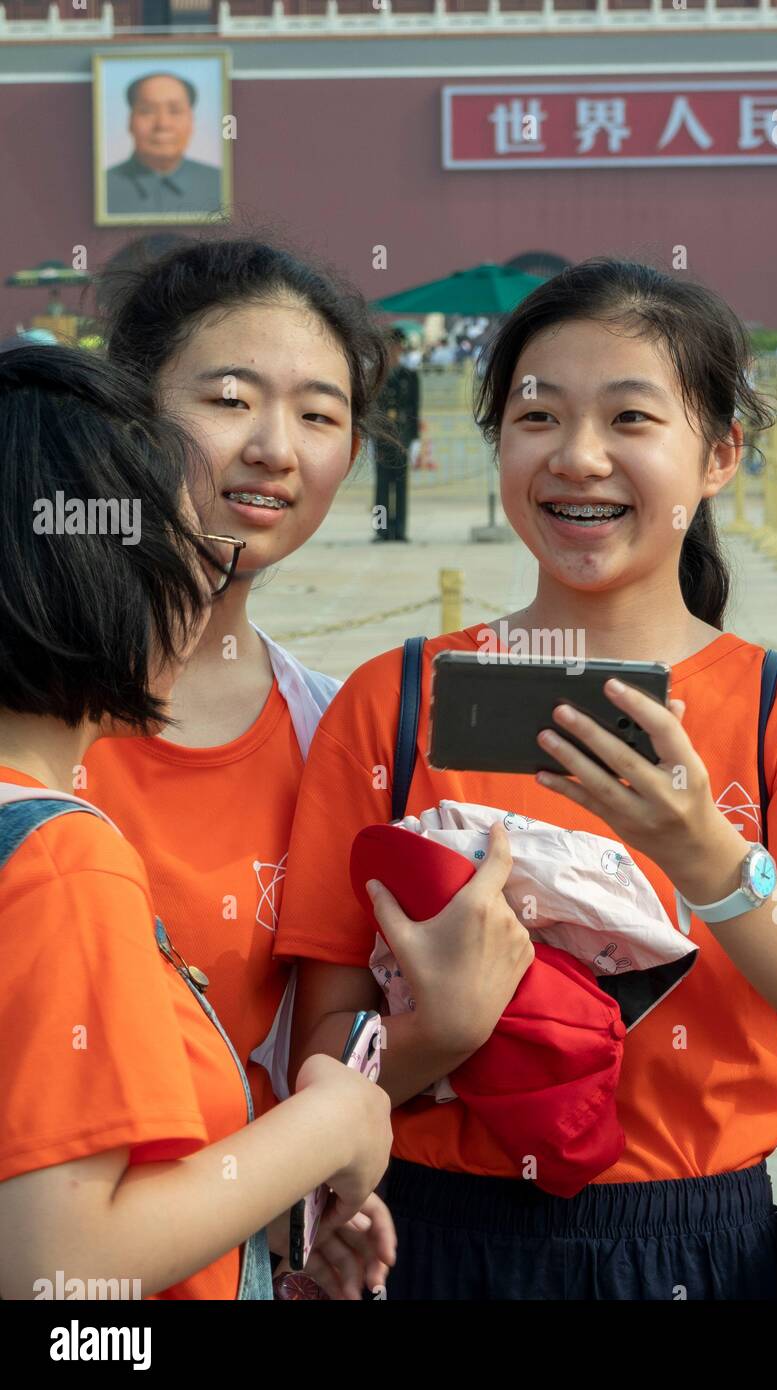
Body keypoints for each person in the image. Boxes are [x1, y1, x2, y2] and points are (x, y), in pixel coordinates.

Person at [275, 258, 777, 1301]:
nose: (577, 459)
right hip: (431, 1240)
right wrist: (439, 1031)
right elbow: (320, 1057)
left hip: (698, 1248)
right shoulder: (392, 701)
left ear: (719, 453)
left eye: (629, 419)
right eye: (537, 417)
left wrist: (702, 851)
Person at [0, 346, 392, 1300]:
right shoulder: (62, 862)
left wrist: (253, 1235)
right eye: (193, 552)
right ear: (91, 572)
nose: (208, 588)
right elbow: (62, 1266)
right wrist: (331, 1124)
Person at [83, 238, 388, 1169]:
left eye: (319, 415)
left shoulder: (335, 731)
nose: (273, 448)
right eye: (229, 400)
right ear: (123, 409)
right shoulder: (36, 702)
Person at [106, 72, 222, 217]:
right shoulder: (102, 188)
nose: (163, 124)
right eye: (147, 111)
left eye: (175, 111)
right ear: (130, 122)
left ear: (192, 121)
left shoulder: (220, 184)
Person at [372, 328, 420, 542]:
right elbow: (371, 409)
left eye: (396, 346)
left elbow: (414, 410)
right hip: (382, 438)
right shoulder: (376, 375)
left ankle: (400, 530)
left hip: (402, 438)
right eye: (389, 346)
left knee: (400, 486)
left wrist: (416, 439)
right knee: (382, 488)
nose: (393, 351)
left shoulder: (409, 376)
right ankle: (381, 530)